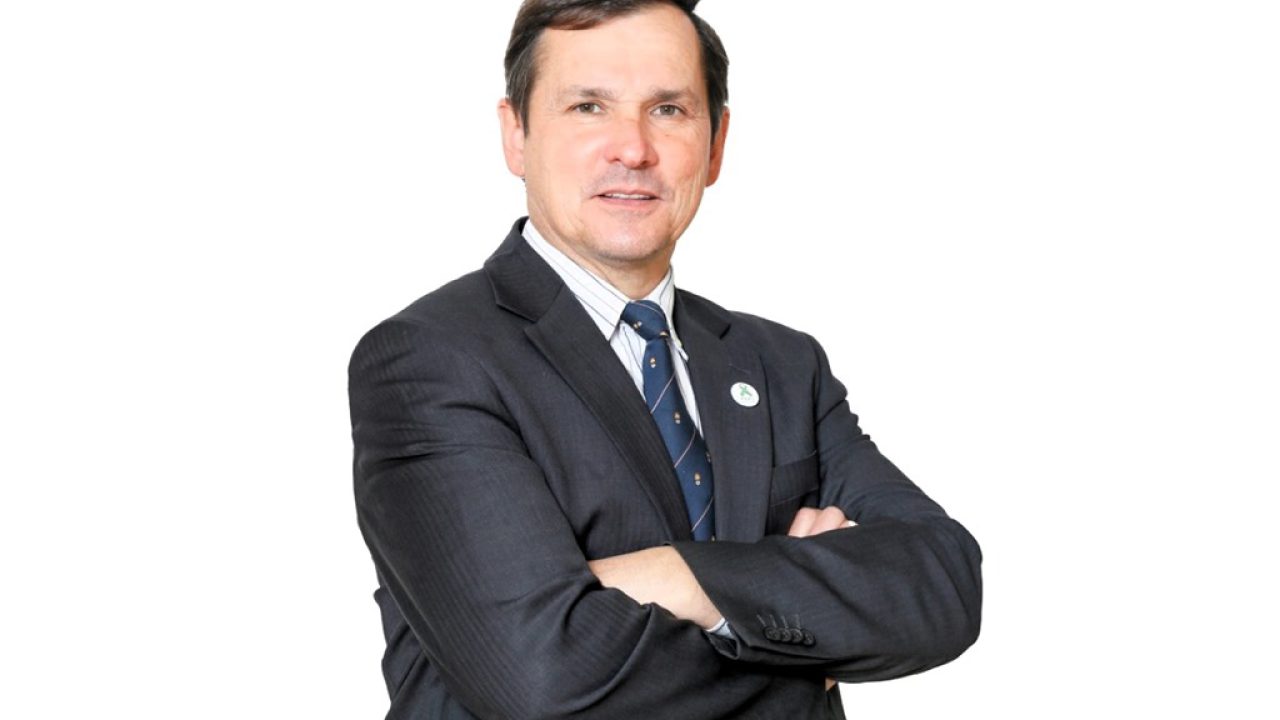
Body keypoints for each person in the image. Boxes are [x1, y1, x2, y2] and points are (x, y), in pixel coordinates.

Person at [348, 1, 982, 717]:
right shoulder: (431, 360)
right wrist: (812, 646)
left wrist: (673, 577)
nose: (633, 149)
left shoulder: (782, 366)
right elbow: (541, 676)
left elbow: (946, 585)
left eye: (669, 110)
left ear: (715, 145)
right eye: (589, 107)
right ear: (516, 135)